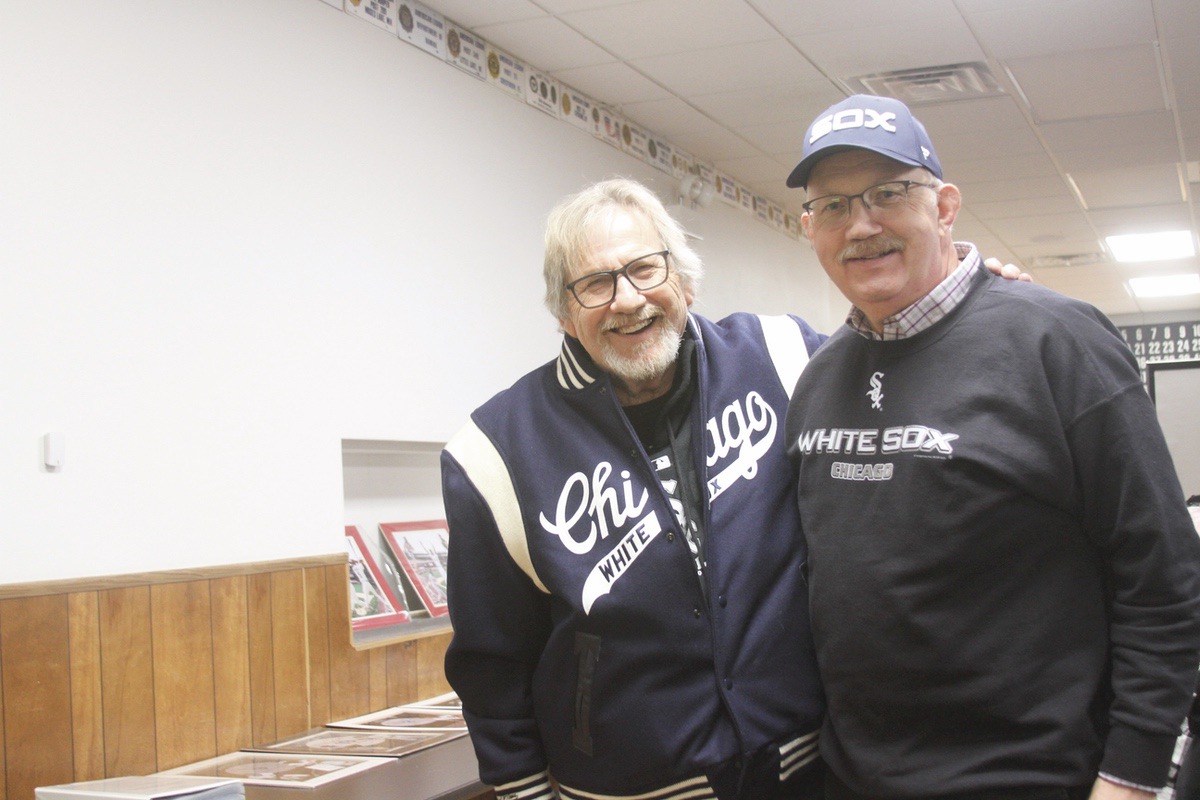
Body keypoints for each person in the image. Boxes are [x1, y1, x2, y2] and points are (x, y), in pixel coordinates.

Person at [441, 177, 1025, 800]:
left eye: (645, 268)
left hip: (806, 772)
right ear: (564, 311)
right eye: (595, 284)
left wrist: (976, 313)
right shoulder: (493, 452)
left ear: (685, 282)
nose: (627, 299)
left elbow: (903, 369)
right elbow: (490, 665)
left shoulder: (784, 357)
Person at [782, 94, 1200, 800]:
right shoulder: (820, 376)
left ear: (944, 206)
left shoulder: (1057, 342)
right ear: (808, 227)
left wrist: (1128, 777)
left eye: (888, 193)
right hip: (851, 777)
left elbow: (1162, 579)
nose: (862, 224)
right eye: (833, 206)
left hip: (1031, 777)